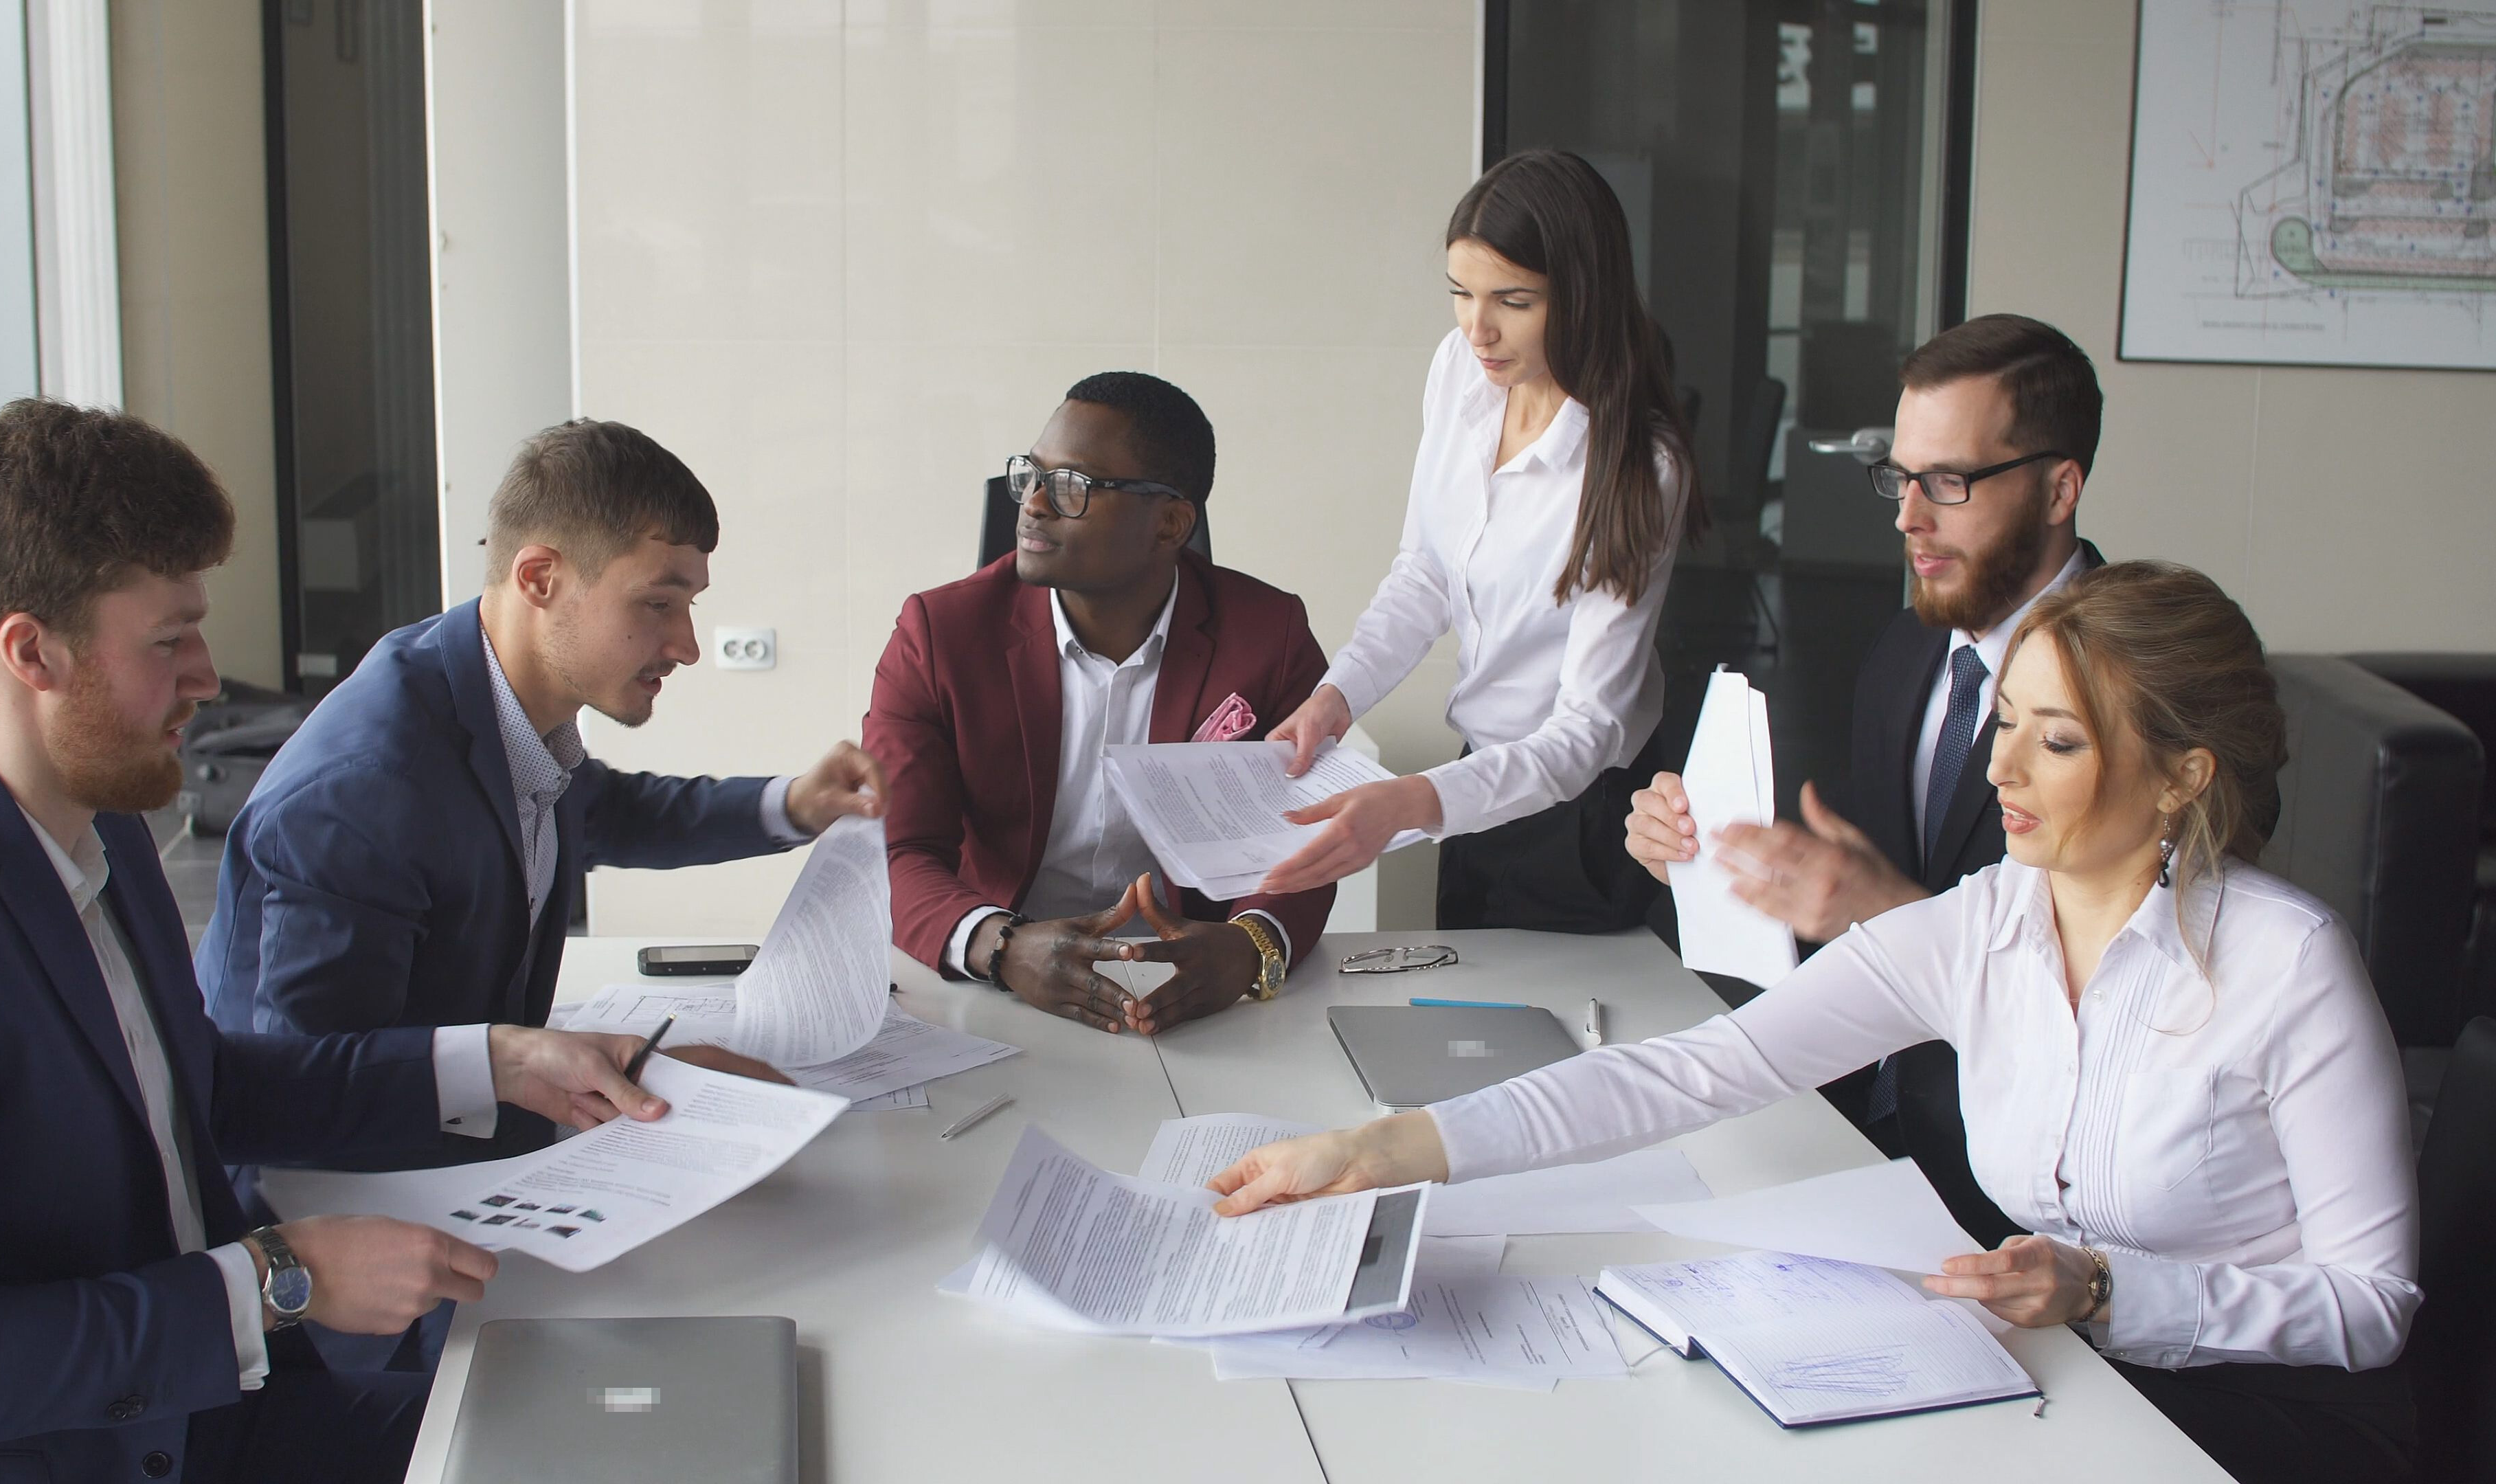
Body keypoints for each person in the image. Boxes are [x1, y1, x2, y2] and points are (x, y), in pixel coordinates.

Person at [1211, 562, 2418, 1484]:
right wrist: (1374, 1153)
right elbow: (1695, 1073)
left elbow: (2372, 1310)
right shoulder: (1985, 925)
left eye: (2057, 742)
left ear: (2184, 777)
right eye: (2006, 723)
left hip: (2252, 1425)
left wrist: (2110, 1290)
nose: (2005, 769)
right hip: (2064, 1378)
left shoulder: (2287, 966)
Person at [0, 399, 773, 1483]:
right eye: (170, 640)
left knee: (665, 1436)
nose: (210, 676)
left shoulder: (97, 813)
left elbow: (199, 1086)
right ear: (30, 653)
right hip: (96, 1449)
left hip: (216, 1407)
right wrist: (273, 1280)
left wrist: (501, 1063)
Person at [201, 417, 884, 1169]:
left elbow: (603, 811)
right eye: (658, 604)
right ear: (539, 578)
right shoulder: (367, 790)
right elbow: (310, 1088)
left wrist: (793, 805)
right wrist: (604, 1091)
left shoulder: (486, 694)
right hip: (330, 1196)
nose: (687, 645)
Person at [1626, 313, 2103, 1243]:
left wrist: (1888, 912)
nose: (1907, 516)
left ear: (2059, 489)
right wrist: (1724, 865)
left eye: (1950, 483)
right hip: (1859, 1133)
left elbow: (2135, 1015)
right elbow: (1848, 920)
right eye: (1900, 476)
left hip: (2034, 1201)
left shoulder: (2149, 690)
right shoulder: (1905, 653)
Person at [1258, 148, 1700, 931]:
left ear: (1583, 297)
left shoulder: (1640, 465)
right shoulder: (1460, 370)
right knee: (1462, 1023)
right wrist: (1338, 696)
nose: (1478, 328)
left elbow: (1589, 730)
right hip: (1478, 781)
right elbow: (1424, 571)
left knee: (1565, 1036)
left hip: (1591, 806)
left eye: (1513, 300)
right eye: (1461, 293)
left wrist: (1410, 803)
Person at [866, 372, 1335, 1036]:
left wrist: (1246, 946)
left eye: (1072, 487)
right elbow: (896, 849)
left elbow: (1307, 833)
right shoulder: (940, 634)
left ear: (1171, 522)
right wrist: (1000, 945)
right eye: (1031, 476)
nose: (1032, 504)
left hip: (1192, 987)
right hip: (998, 985)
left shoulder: (1267, 635)